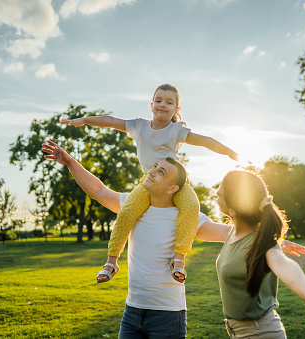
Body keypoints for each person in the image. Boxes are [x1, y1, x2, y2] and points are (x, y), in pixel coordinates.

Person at [42, 140, 305, 338]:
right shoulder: (132, 205)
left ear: (172, 188)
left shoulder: (188, 218)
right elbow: (99, 190)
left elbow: (232, 233)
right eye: (155, 167)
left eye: (161, 172)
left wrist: (276, 242)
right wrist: (69, 162)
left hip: (167, 317)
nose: (152, 171)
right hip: (132, 312)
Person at [61, 84, 238, 284]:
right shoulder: (139, 126)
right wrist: (84, 120)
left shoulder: (175, 131)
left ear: (176, 110)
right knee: (126, 212)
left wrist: (229, 152)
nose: (163, 105)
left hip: (176, 184)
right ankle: (111, 261)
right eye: (159, 100)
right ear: (151, 104)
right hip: (150, 182)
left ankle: (178, 259)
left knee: (191, 206)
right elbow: (110, 121)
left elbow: (204, 141)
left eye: (169, 102)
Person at [196, 170, 305, 338]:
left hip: (261, 333)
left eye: (223, 188)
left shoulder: (264, 245)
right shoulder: (233, 233)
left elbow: (284, 265)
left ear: (233, 211)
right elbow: (197, 223)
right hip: (239, 332)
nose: (217, 191)